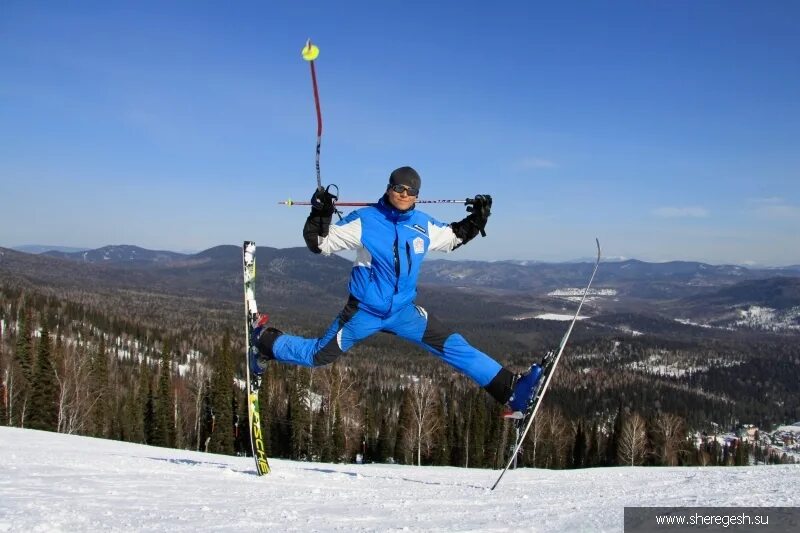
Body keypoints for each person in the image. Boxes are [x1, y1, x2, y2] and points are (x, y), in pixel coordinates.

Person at [249, 166, 541, 415]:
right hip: (364, 312)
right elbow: (320, 243)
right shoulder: (366, 220)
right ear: (389, 188)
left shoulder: (422, 224)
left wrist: (478, 218)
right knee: (317, 356)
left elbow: (453, 238)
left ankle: (511, 391)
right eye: (398, 188)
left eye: (411, 190)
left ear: (417, 195)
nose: (404, 194)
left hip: (403, 312)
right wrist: (320, 214)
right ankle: (265, 343)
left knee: (455, 345)